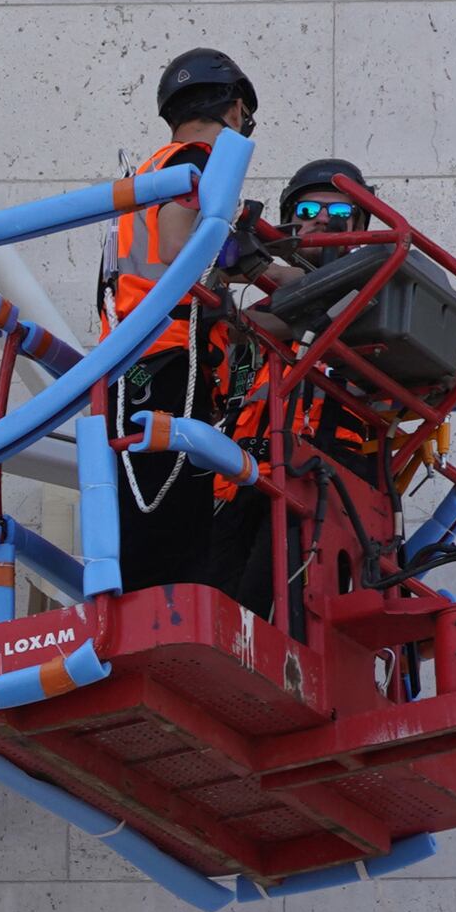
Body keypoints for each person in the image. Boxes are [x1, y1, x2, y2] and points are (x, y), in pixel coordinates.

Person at [101, 46, 270, 617]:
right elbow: (182, 249)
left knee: (154, 515)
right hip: (169, 359)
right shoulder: (199, 161)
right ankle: (165, 627)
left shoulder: (149, 169)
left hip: (137, 362)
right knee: (170, 524)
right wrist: (252, 257)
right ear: (236, 107)